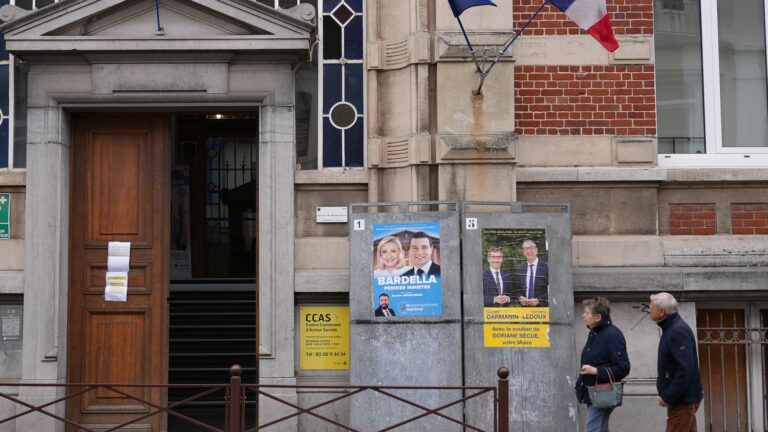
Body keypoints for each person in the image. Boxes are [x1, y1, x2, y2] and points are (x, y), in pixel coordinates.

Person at [574, 297, 631, 432]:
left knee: (593, 429)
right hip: (594, 393)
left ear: (598, 316)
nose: (583, 316)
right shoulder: (595, 333)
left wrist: (596, 371)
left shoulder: (612, 335)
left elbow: (623, 367)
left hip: (602, 392)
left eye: (586, 313)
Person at [650, 292, 703, 432]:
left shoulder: (677, 330)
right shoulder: (671, 328)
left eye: (652, 307)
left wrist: (669, 396)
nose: (649, 309)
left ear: (662, 312)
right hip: (683, 400)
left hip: (683, 401)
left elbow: (685, 368)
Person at [515, 239, 548, 306]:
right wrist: (520, 298)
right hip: (525, 310)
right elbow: (517, 289)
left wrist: (539, 300)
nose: (529, 251)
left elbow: (554, 289)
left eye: (531, 248)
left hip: (543, 309)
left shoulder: (547, 267)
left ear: (536, 250)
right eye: (526, 249)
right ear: (523, 252)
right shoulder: (520, 269)